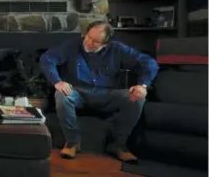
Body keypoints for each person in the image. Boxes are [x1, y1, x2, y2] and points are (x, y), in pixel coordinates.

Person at [40, 20, 159, 163]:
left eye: (96, 41)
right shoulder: (72, 45)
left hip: (107, 94)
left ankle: (117, 144)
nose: (89, 43)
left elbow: (149, 62)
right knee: (62, 95)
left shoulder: (117, 48)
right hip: (78, 93)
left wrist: (143, 85)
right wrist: (57, 81)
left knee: (137, 98)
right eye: (88, 37)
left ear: (106, 44)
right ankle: (72, 142)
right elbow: (47, 58)